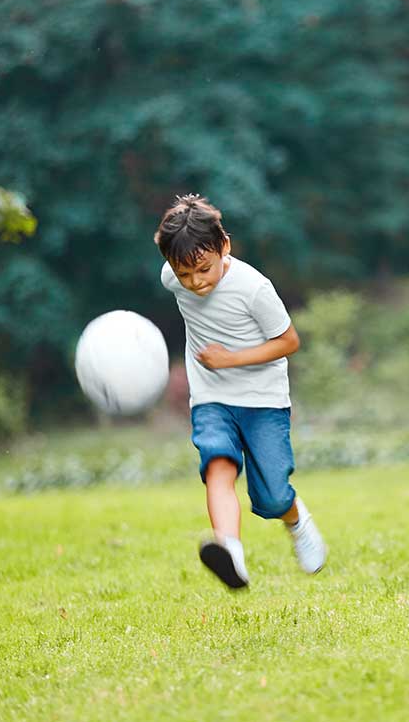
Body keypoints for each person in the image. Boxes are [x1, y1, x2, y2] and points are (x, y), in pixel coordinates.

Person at [155, 194, 326, 588]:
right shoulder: (173, 277)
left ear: (224, 246)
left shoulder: (253, 288)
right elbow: (181, 278)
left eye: (203, 269)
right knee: (218, 465)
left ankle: (297, 520)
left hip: (263, 400)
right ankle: (230, 553)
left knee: (272, 498)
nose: (195, 282)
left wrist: (228, 359)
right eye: (184, 274)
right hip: (211, 398)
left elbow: (288, 341)